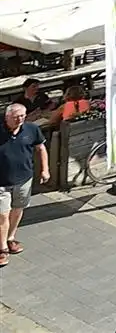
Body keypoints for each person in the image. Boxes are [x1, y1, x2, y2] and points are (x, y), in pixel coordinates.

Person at [1, 102, 48, 267]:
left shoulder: (31, 129)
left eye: (22, 116)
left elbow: (41, 148)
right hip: (1, 183)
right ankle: (2, 249)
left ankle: (11, 237)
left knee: (17, 210)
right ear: (7, 117)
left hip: (24, 178)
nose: (20, 120)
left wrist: (45, 169)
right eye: (16, 117)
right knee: (3, 215)